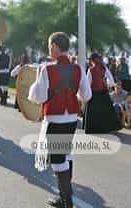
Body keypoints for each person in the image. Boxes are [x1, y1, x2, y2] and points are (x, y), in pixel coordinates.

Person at [28, 32, 92, 208]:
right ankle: (63, 197)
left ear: (55, 46)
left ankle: (66, 201)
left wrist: (37, 79)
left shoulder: (47, 69)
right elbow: (86, 95)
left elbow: (37, 97)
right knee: (66, 155)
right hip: (71, 119)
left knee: (57, 160)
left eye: (50, 46)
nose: (49, 50)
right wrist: (72, 96)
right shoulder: (78, 68)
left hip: (55, 120)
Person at [83, 53, 121, 134]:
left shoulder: (91, 70)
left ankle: (95, 128)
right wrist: (111, 85)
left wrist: (86, 93)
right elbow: (110, 78)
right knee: (106, 110)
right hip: (103, 92)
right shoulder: (104, 68)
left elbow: (88, 83)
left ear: (92, 60)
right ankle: (108, 127)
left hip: (94, 93)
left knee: (94, 112)